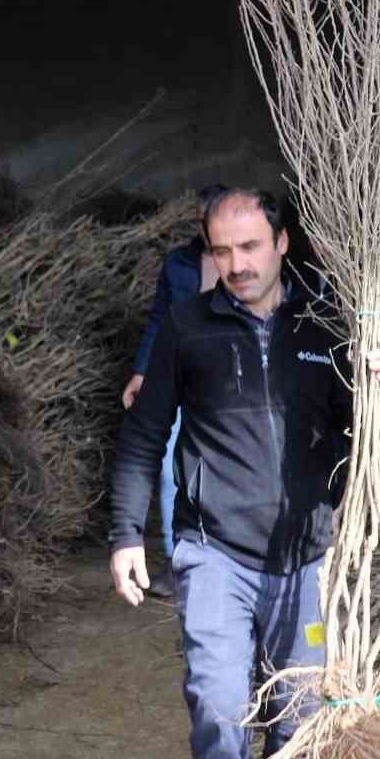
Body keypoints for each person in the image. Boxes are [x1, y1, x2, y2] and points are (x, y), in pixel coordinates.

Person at [108, 186, 380, 759]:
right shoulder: (187, 326)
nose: (235, 265)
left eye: (249, 248)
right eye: (221, 251)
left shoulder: (328, 328)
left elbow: (369, 438)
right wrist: (125, 535)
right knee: (217, 705)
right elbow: (144, 437)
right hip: (213, 552)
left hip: (304, 554)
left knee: (300, 717)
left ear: (282, 246)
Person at [121, 183, 222, 597]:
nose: (203, 226)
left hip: (229, 383)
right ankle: (177, 563)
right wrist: (141, 372)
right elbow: (160, 319)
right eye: (199, 219)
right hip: (180, 374)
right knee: (169, 471)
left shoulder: (253, 264)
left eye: (209, 218)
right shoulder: (179, 263)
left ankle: (224, 562)